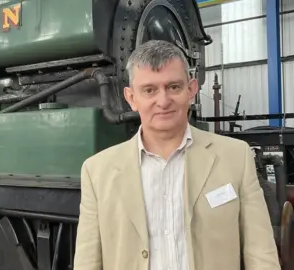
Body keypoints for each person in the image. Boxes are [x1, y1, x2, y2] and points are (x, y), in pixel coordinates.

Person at [73, 40, 281, 270]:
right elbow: (87, 261)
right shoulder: (97, 172)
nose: (163, 101)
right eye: (149, 90)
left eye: (173, 87)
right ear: (131, 98)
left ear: (191, 90)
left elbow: (260, 252)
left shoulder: (235, 158)